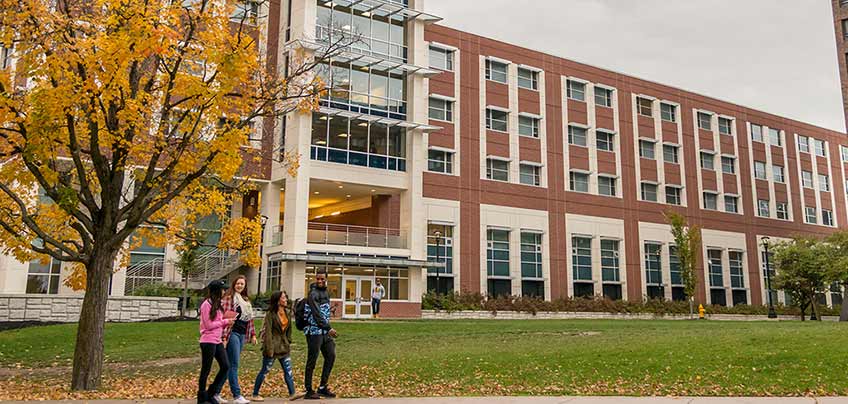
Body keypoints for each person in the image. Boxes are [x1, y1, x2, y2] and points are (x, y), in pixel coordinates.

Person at [216, 276, 257, 404]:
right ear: (234, 284)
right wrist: (224, 337)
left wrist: (253, 335)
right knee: (234, 365)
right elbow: (225, 319)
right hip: (232, 334)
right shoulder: (229, 299)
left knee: (227, 366)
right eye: (238, 283)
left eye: (242, 284)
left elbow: (249, 320)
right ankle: (237, 395)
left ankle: (215, 393)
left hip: (242, 335)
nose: (240, 286)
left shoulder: (245, 300)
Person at [251, 290, 296, 401]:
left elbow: (289, 329)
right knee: (264, 370)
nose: (286, 300)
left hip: (284, 346)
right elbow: (268, 333)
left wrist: (288, 340)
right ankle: (255, 394)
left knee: (288, 370)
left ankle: (292, 393)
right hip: (272, 347)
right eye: (284, 298)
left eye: (286, 297)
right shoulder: (270, 314)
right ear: (278, 300)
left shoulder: (287, 312)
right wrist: (269, 349)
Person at [198, 280, 235, 404]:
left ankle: (211, 393)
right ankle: (201, 397)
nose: (224, 291)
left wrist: (228, 322)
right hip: (208, 340)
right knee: (206, 369)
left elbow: (218, 323)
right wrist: (225, 322)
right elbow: (208, 325)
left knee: (225, 366)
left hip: (217, 340)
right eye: (222, 289)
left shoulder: (218, 304)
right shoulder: (206, 304)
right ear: (216, 290)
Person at [302, 270, 337, 400]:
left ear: (326, 279)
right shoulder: (313, 294)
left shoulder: (326, 293)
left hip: (324, 332)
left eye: (322, 279)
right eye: (317, 279)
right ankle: (309, 390)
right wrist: (329, 328)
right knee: (312, 359)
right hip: (314, 331)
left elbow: (324, 311)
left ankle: (322, 387)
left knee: (331, 355)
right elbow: (317, 314)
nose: (319, 281)